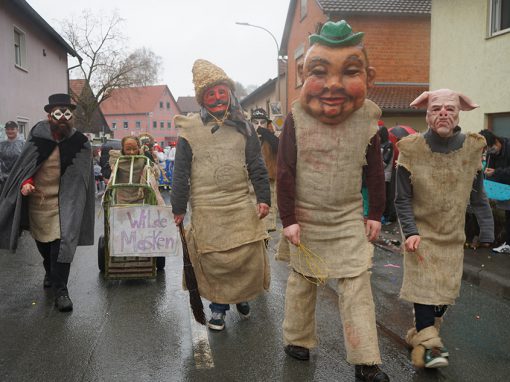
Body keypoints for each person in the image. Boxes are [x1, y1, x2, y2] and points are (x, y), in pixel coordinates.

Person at [277, 21, 389, 382]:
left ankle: (366, 360)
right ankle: (297, 338)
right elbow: (285, 170)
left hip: (347, 218)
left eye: (350, 71)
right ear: (300, 74)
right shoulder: (295, 118)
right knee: (303, 282)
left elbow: (374, 171)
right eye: (319, 72)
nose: (334, 85)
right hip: (306, 220)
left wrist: (375, 213)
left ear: (369, 77)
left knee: (357, 285)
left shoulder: (368, 118)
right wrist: (289, 218)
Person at [172, 59, 271, 331]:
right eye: (210, 93)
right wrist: (178, 207)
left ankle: (240, 296)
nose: (217, 98)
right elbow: (180, 172)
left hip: (240, 202)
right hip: (207, 206)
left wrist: (263, 198)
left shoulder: (245, 126)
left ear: (229, 93)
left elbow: (257, 165)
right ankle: (218, 309)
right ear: (202, 98)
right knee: (215, 259)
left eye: (221, 91)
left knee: (243, 254)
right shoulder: (189, 130)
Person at [395, 89, 490, 368]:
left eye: (449, 108)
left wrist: (486, 230)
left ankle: (421, 335)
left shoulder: (473, 148)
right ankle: (431, 350)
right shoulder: (410, 149)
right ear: (426, 113)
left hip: (452, 237)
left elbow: (478, 195)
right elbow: (402, 197)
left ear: (459, 112)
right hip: (420, 236)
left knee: (442, 297)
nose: (443, 114)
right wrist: (410, 231)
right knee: (424, 291)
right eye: (436, 109)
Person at [0, 93, 95, 312]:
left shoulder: (80, 143)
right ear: (50, 115)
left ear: (72, 116)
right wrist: (26, 183)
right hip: (39, 201)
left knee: (62, 244)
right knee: (43, 243)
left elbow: (83, 176)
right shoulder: (37, 137)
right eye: (58, 113)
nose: (63, 118)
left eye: (67, 113)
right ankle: (49, 270)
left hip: (67, 202)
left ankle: (61, 291)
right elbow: (25, 167)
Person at [478, 129, 510, 253]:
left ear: (496, 141)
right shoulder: (492, 154)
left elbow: (500, 171)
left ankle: (508, 244)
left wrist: (496, 172)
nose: (489, 151)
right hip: (505, 190)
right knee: (508, 215)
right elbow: (490, 168)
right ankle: (508, 243)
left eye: (490, 148)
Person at [251, 108, 279, 231]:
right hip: (249, 183)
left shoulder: (272, 137)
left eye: (262, 122)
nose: (259, 125)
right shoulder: (246, 137)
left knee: (266, 219)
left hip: (268, 182)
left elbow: (280, 147)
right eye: (256, 122)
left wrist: (265, 133)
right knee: (251, 218)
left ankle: (265, 244)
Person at [0, 121, 24, 193]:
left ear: (17, 129)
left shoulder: (23, 144)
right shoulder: (1, 145)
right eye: (7, 129)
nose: (10, 131)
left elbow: (26, 162)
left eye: (12, 129)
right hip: (4, 181)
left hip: (18, 180)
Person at [378, 124, 394, 225]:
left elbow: (385, 160)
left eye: (379, 135)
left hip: (385, 174)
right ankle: (382, 215)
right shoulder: (379, 144)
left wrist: (376, 167)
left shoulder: (389, 145)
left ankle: (387, 217)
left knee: (385, 196)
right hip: (379, 174)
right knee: (380, 196)